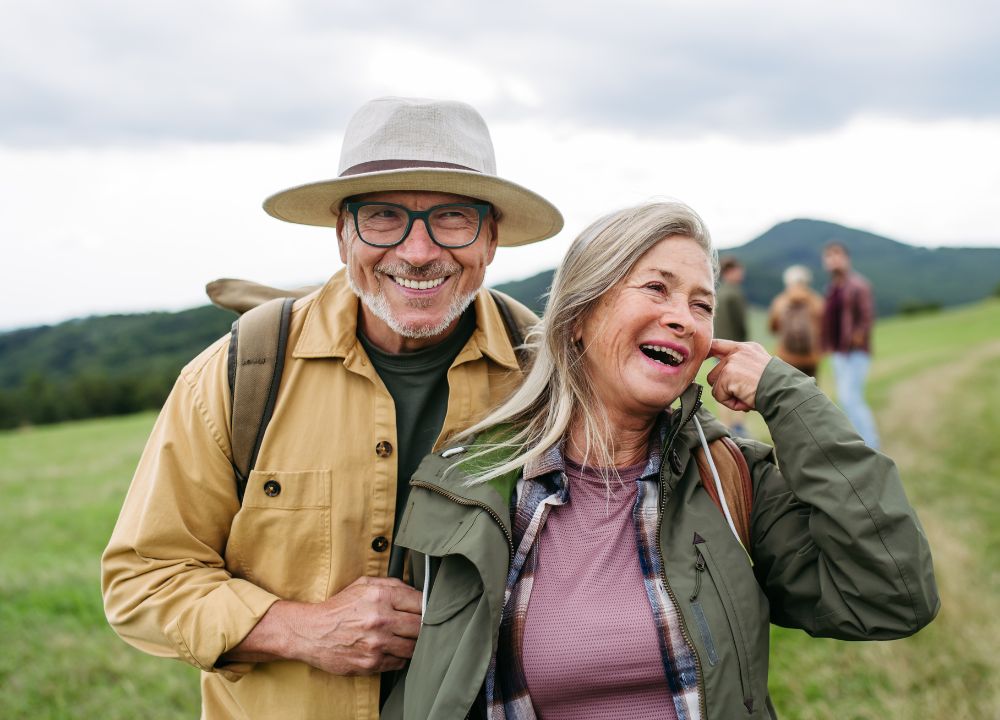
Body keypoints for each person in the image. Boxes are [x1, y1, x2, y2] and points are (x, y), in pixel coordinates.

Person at [101, 97, 563, 720]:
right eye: (383, 217)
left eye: (452, 217)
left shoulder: (549, 380)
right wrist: (299, 629)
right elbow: (142, 581)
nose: (418, 251)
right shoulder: (240, 374)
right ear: (343, 233)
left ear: (492, 237)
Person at [384, 201, 938, 719]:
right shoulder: (471, 490)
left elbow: (892, 597)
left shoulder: (728, 479)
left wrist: (788, 398)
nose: (684, 320)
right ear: (578, 316)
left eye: (702, 306)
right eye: (656, 288)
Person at [821, 241, 880, 448]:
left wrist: (858, 335)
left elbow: (867, 315)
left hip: (854, 352)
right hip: (838, 352)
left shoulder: (859, 285)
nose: (833, 260)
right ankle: (859, 443)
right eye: (829, 256)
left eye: (837, 255)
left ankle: (871, 445)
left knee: (850, 398)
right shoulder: (831, 288)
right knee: (846, 399)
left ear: (847, 258)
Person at [712, 255, 749, 436]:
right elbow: (741, 324)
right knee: (740, 388)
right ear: (730, 271)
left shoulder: (717, 293)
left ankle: (725, 427)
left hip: (718, 347)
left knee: (722, 388)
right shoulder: (735, 294)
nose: (742, 273)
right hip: (735, 347)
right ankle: (739, 426)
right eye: (739, 270)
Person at [768, 264, 825, 377]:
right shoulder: (816, 301)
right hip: (811, 357)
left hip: (786, 357)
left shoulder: (780, 301)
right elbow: (824, 327)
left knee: (787, 387)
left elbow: (773, 328)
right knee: (810, 386)